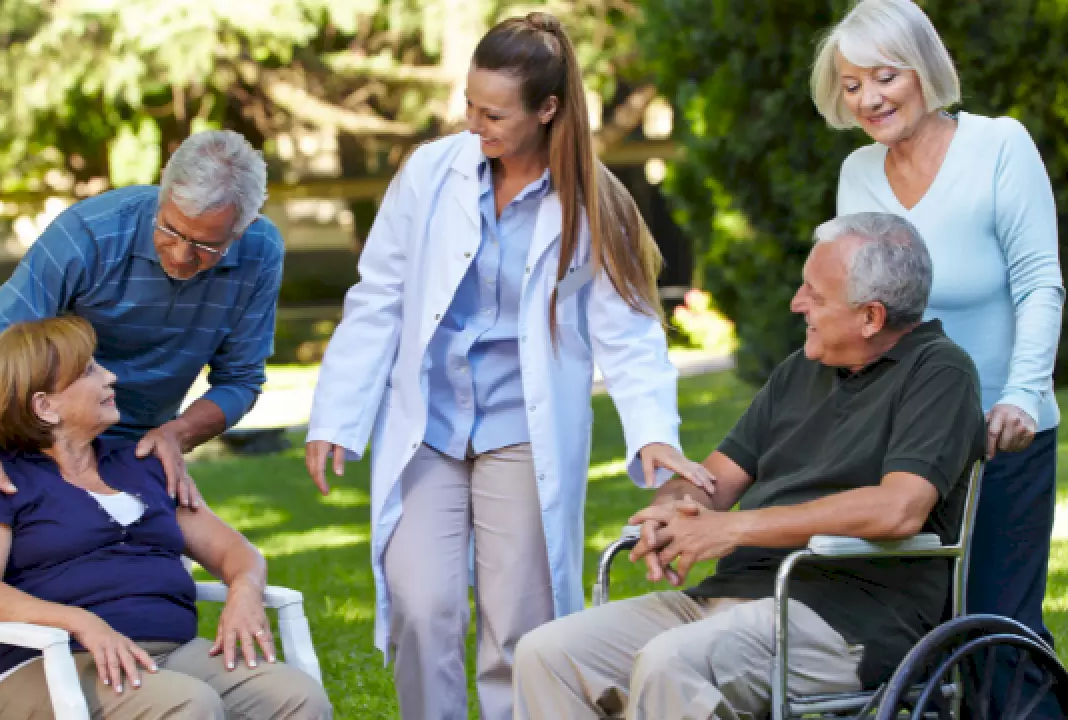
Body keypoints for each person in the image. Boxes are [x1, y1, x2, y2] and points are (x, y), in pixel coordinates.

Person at [303, 11, 709, 720]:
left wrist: (653, 432)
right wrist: (337, 416)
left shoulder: (593, 202)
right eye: (469, 105)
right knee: (420, 605)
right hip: (428, 428)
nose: (474, 124)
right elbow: (379, 298)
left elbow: (630, 333)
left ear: (547, 109)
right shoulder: (431, 173)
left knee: (516, 624)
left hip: (522, 433)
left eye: (493, 113)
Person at [512, 212, 986, 719]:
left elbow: (900, 509)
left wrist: (735, 528)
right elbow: (713, 482)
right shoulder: (802, 370)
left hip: (843, 619)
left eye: (815, 295)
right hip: (725, 601)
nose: (796, 303)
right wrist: (673, 513)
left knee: (669, 664)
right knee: (547, 654)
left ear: (871, 317)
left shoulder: (939, 372)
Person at [812, 0, 1064, 659]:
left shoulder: (998, 146)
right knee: (910, 645)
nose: (869, 98)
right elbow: (862, 316)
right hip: (912, 448)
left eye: (885, 76)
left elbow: (1041, 282)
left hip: (1005, 434)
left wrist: (1021, 394)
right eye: (852, 84)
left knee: (994, 636)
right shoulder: (857, 174)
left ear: (923, 68)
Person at [0, 316, 330, 720]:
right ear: (45, 406)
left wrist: (244, 591)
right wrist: (80, 623)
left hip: (173, 653)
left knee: (297, 697)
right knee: (189, 705)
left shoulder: (141, 463)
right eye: (89, 371)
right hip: (55, 665)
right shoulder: (1, 481)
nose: (110, 377)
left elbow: (235, 551)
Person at [0, 129, 285, 551]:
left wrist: (177, 434)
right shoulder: (87, 234)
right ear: (163, 195)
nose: (180, 255)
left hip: (144, 455)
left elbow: (242, 379)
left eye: (204, 246)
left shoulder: (261, 251)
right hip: (48, 451)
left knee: (147, 579)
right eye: (171, 230)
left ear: (242, 229)